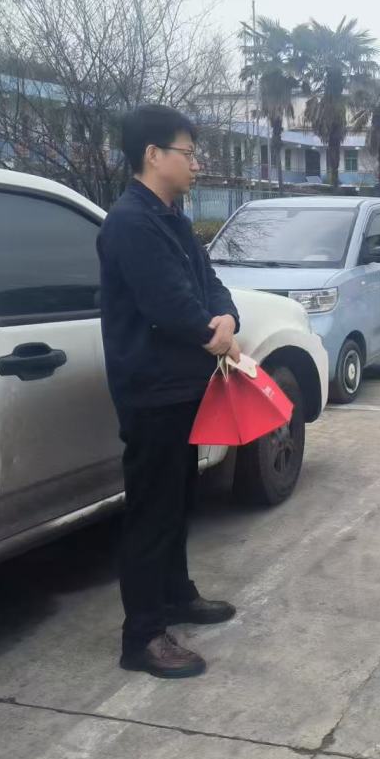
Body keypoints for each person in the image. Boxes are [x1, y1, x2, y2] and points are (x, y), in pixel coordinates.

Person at [97, 104, 242, 679]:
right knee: (152, 512)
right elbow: (167, 303)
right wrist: (212, 333)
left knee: (180, 500)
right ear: (153, 155)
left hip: (184, 386)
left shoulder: (173, 219)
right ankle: (142, 637)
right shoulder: (130, 222)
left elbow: (209, 284)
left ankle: (177, 594)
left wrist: (225, 318)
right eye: (188, 153)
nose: (196, 163)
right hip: (151, 390)